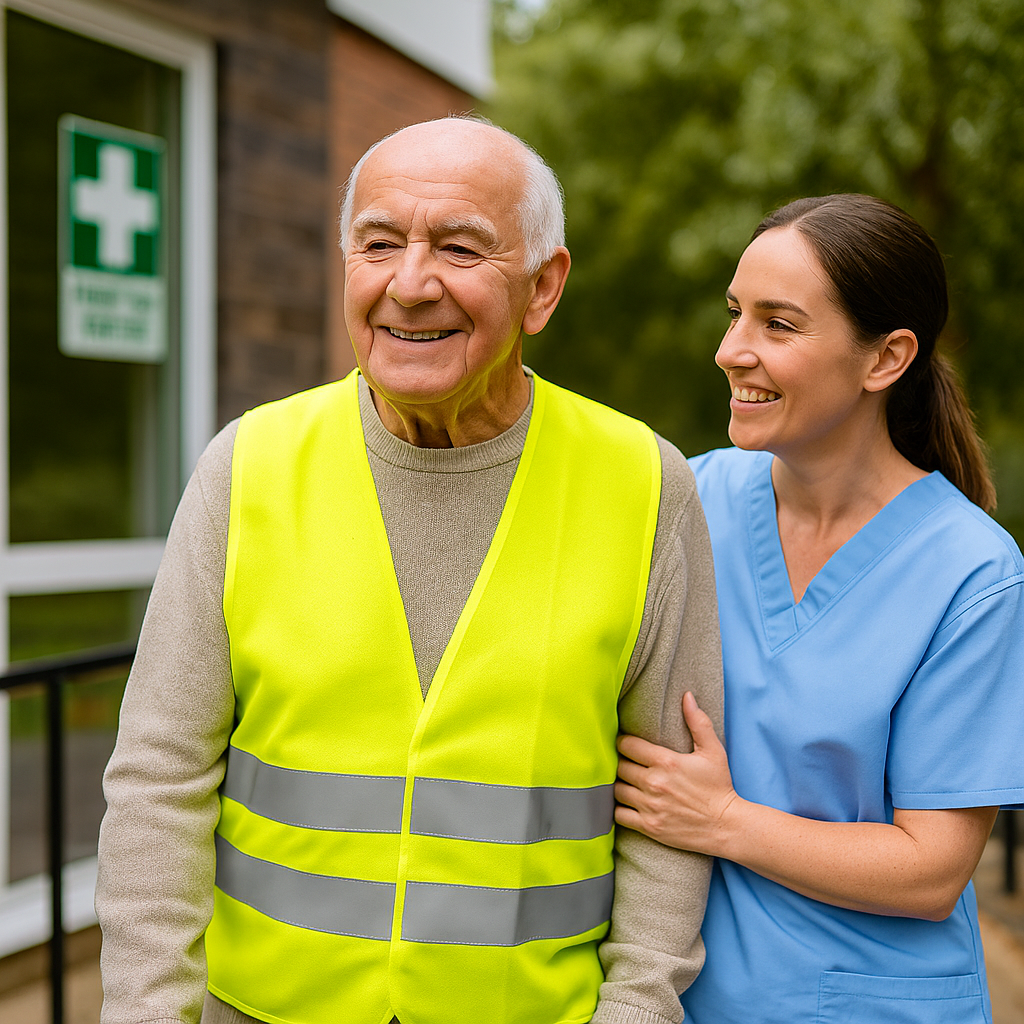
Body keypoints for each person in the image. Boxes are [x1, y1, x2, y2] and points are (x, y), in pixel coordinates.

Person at [95, 116, 724, 1024]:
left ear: (543, 288)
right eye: (378, 243)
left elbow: (668, 814)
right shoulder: (249, 466)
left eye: (460, 248)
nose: (410, 284)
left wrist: (635, 1012)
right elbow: (159, 779)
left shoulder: (645, 484)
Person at [615, 194, 1024, 1024]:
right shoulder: (687, 501)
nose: (733, 351)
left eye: (779, 325)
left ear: (885, 359)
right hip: (687, 999)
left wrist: (722, 819)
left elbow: (930, 870)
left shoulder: (972, 572)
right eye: (735, 314)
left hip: (875, 1006)